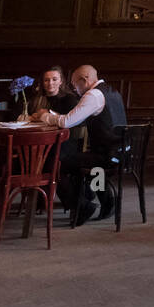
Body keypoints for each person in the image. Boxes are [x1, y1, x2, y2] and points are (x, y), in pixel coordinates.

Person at [38, 64, 127, 225]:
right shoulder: (112, 91)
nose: (74, 89)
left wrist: (44, 116)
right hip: (120, 152)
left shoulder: (93, 95)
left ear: (84, 80)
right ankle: (108, 202)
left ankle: (81, 206)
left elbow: (66, 122)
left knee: (57, 164)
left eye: (74, 85)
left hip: (108, 155)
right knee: (92, 166)